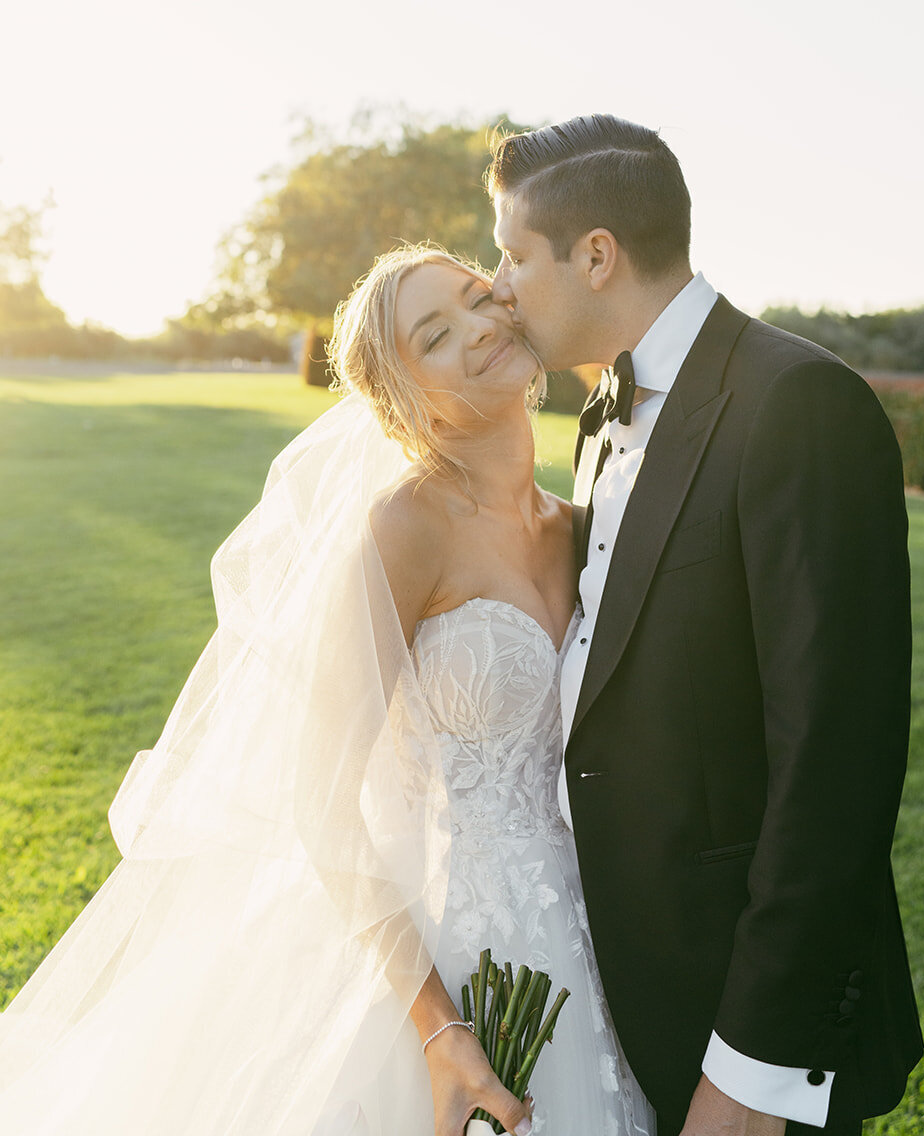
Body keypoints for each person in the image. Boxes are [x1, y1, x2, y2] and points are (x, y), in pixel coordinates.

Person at [0, 244, 653, 1136]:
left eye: (475, 298)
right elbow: (319, 801)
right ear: (406, 399)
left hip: (599, 933)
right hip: (452, 949)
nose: (477, 327)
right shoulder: (407, 527)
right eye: (435, 333)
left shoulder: (585, 527)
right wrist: (441, 1030)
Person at [485, 116, 924, 1136]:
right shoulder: (602, 410)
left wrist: (752, 1070)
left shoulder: (797, 404)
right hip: (614, 982)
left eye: (511, 255)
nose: (497, 284)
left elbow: (837, 770)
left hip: (737, 1012)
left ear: (595, 255)